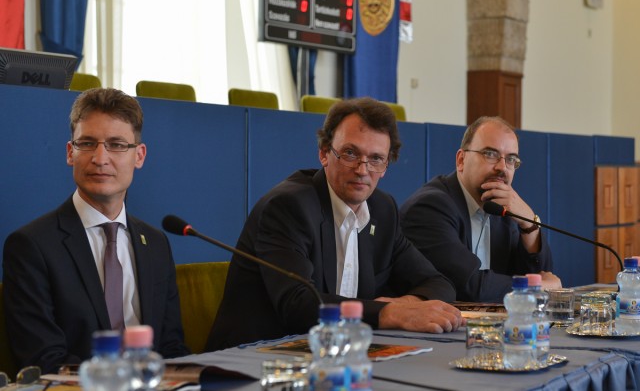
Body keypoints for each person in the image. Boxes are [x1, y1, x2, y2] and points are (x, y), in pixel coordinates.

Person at [207, 97, 463, 351]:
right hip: (259, 354)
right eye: (350, 154)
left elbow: (439, 284)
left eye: (376, 159)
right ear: (324, 153)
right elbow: (298, 305)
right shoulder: (289, 207)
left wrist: (405, 305)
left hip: (337, 352)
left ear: (386, 166)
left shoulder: (382, 210)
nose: (362, 170)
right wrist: (387, 312)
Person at [3, 88, 189, 373]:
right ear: (70, 153)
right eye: (87, 143)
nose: (100, 158)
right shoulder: (31, 246)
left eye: (116, 145)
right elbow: (44, 359)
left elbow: (172, 347)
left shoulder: (156, 243)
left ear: (139, 156)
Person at [400, 116, 562, 303]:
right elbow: (470, 287)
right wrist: (538, 287)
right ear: (461, 160)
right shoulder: (429, 208)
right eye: (490, 154)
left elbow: (543, 274)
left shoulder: (501, 207)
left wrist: (529, 224)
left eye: (511, 159)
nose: (502, 167)